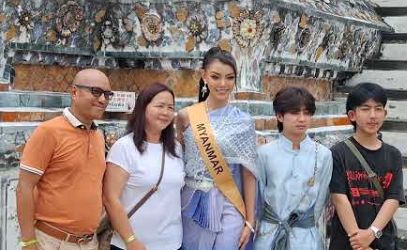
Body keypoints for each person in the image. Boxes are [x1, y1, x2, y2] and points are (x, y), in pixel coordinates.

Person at [16, 69, 113, 250]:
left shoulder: (98, 135)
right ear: (75, 92)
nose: (103, 100)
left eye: (107, 94)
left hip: (89, 242)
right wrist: (28, 241)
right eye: (96, 92)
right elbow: (24, 187)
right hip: (52, 242)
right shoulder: (49, 131)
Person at [176, 47, 258, 250]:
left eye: (229, 78)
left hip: (231, 201)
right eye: (215, 77)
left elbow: (249, 174)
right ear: (204, 76)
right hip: (193, 200)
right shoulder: (186, 116)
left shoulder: (244, 121)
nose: (223, 84)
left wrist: (250, 219)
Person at [103, 83, 185, 250]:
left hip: (172, 243)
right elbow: (110, 198)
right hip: (132, 245)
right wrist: (131, 240)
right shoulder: (124, 147)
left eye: (170, 107)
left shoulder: (176, 148)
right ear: (143, 107)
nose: (166, 112)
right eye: (160, 106)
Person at [254, 87, 333, 250]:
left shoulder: (323, 155)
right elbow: (259, 197)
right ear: (280, 116)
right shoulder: (264, 154)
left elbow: (320, 202)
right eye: (295, 113)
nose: (302, 119)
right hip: (268, 236)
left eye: (306, 113)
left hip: (306, 238)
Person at [329, 82, 405, 250]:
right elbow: (339, 199)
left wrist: (371, 233)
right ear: (352, 115)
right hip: (347, 241)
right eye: (365, 109)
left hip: (381, 240)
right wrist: (359, 243)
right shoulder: (338, 153)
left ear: (385, 113)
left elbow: (393, 198)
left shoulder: (393, 155)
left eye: (378, 109)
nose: (373, 115)